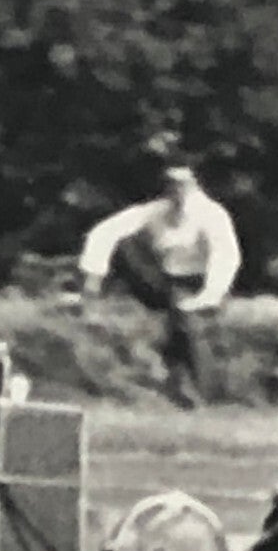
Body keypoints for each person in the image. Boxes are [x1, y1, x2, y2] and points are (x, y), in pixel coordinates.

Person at [71, 139, 241, 407]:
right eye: (172, 185)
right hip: (161, 281)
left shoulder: (212, 215)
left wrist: (208, 297)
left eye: (183, 185)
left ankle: (200, 393)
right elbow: (104, 233)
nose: (177, 192)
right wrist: (93, 279)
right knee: (126, 242)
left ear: (195, 185)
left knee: (186, 326)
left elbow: (225, 257)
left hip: (197, 282)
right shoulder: (155, 211)